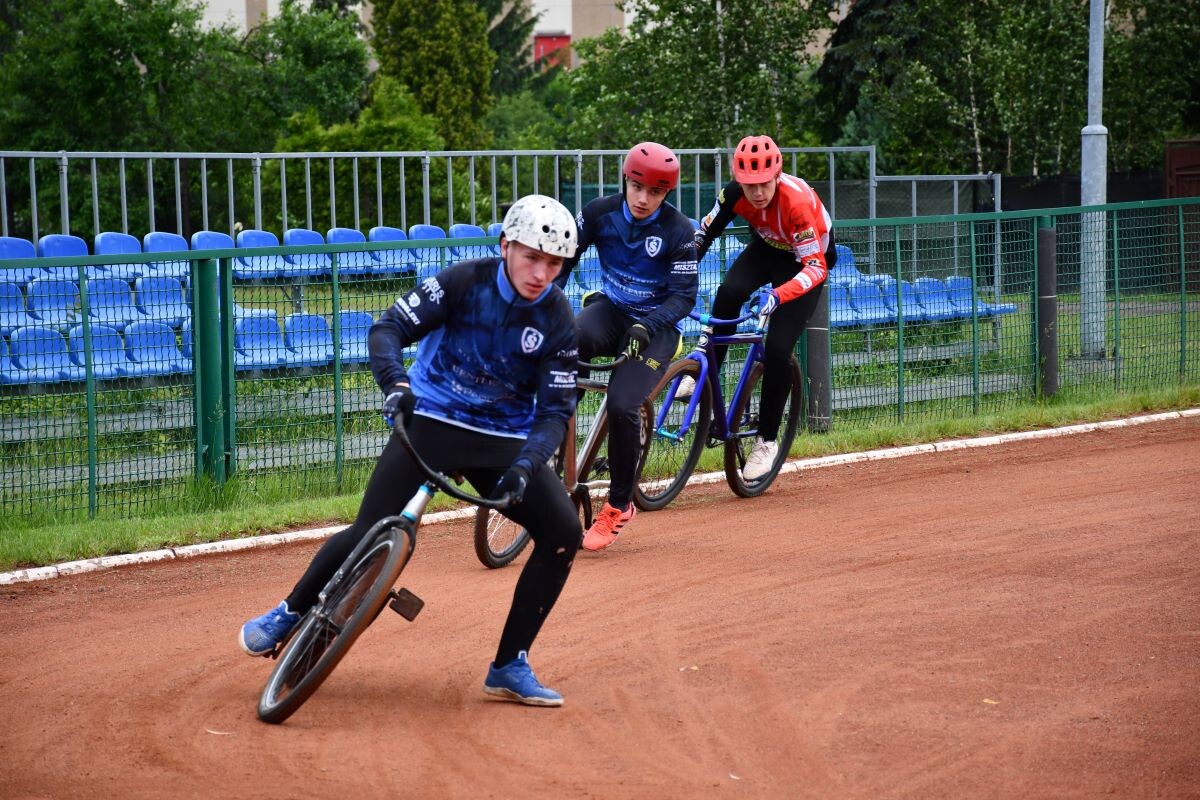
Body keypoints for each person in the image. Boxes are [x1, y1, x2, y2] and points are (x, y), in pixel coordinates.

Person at [239, 195, 583, 707]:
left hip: (501, 440)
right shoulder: (462, 281)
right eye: (532, 256)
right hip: (431, 420)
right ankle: (290, 609)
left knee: (562, 534)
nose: (541, 272)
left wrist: (527, 467)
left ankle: (510, 664)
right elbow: (387, 329)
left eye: (554, 263)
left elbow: (555, 412)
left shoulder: (558, 319)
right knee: (368, 532)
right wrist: (395, 385)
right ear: (506, 245)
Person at [556, 142, 699, 552]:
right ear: (626, 180)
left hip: (655, 328)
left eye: (654, 192)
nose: (643, 198)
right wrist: (548, 303)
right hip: (612, 310)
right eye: (637, 187)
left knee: (621, 405)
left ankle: (619, 504)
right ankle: (553, 434)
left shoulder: (678, 230)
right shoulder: (600, 212)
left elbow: (683, 298)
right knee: (568, 340)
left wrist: (648, 323)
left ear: (666, 194)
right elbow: (565, 256)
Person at [690, 134, 837, 481]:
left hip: (805, 263)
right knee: (729, 292)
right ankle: (704, 375)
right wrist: (682, 268)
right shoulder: (734, 194)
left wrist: (779, 295)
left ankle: (767, 440)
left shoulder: (796, 204)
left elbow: (816, 268)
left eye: (763, 184)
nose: (756, 192)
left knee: (778, 349)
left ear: (777, 176)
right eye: (749, 185)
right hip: (768, 246)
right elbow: (705, 233)